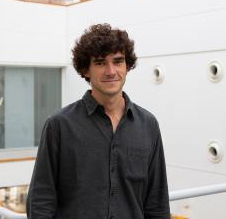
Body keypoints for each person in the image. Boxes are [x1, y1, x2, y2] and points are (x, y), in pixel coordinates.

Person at [26, 23, 170, 219]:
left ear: (127, 66)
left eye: (118, 61)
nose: (111, 71)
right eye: (101, 63)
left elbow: (157, 201)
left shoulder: (148, 125)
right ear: (86, 70)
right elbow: (41, 200)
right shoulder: (59, 126)